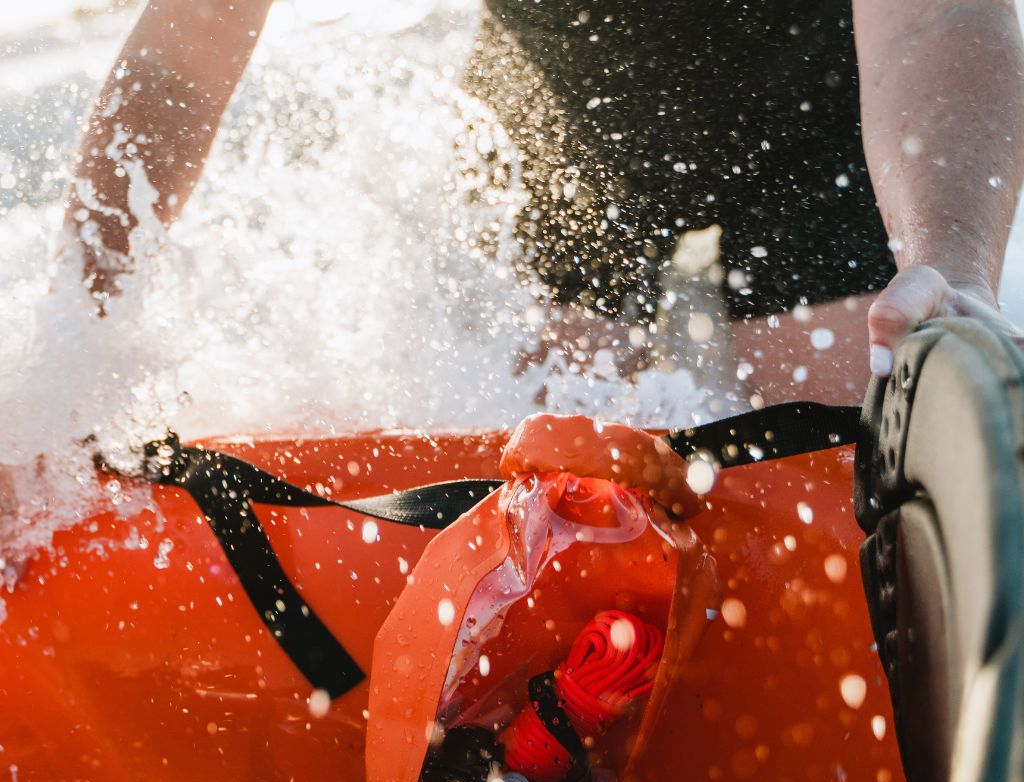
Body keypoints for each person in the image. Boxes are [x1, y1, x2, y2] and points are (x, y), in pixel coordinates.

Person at [62, 0, 1024, 405]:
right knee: (561, 479)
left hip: (822, 110)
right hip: (560, 121)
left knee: (870, 407)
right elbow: (185, 50)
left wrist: (947, 255)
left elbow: (938, 14)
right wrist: (77, 344)